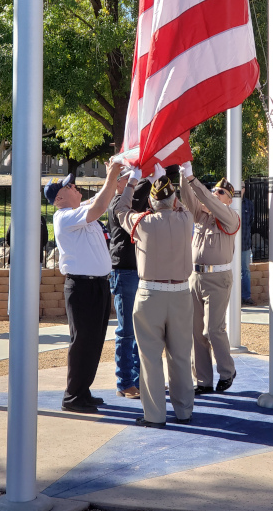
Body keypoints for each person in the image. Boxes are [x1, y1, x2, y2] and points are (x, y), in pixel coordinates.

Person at [116, 170, 195, 428]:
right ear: (174, 200)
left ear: (150, 203)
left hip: (150, 295)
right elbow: (179, 204)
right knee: (181, 356)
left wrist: (131, 182)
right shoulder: (185, 219)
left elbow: (121, 209)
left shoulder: (143, 223)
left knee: (150, 357)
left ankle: (154, 415)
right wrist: (165, 179)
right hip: (182, 294)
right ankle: (184, 411)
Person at [45, 161, 122, 414]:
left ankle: (83, 390)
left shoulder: (79, 211)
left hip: (97, 286)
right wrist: (111, 175)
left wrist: (118, 179)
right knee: (83, 342)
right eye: (69, 186)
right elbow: (100, 204)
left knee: (94, 342)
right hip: (82, 288)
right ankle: (72, 396)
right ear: (59, 197)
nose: (74, 186)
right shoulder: (65, 216)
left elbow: (101, 200)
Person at [179, 162, 240, 395]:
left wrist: (194, 179)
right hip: (195, 276)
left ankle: (227, 371)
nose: (215, 194)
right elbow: (189, 198)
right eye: (214, 190)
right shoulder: (202, 217)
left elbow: (209, 202)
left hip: (218, 278)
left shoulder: (230, 217)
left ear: (229, 200)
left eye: (221, 192)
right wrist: (184, 177)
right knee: (196, 331)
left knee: (213, 330)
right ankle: (203, 380)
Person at [107, 169, 151, 400]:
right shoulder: (117, 203)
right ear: (117, 182)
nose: (133, 181)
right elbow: (139, 195)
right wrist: (147, 177)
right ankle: (124, 382)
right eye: (128, 177)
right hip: (125, 271)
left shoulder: (131, 201)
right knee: (126, 332)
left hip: (137, 271)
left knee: (139, 329)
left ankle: (138, 379)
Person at [241, 182, 255, 305]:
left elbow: (251, 221)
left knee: (245, 270)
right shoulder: (227, 204)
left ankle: (246, 296)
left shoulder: (249, 204)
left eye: (241, 187)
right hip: (230, 246)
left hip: (245, 244)